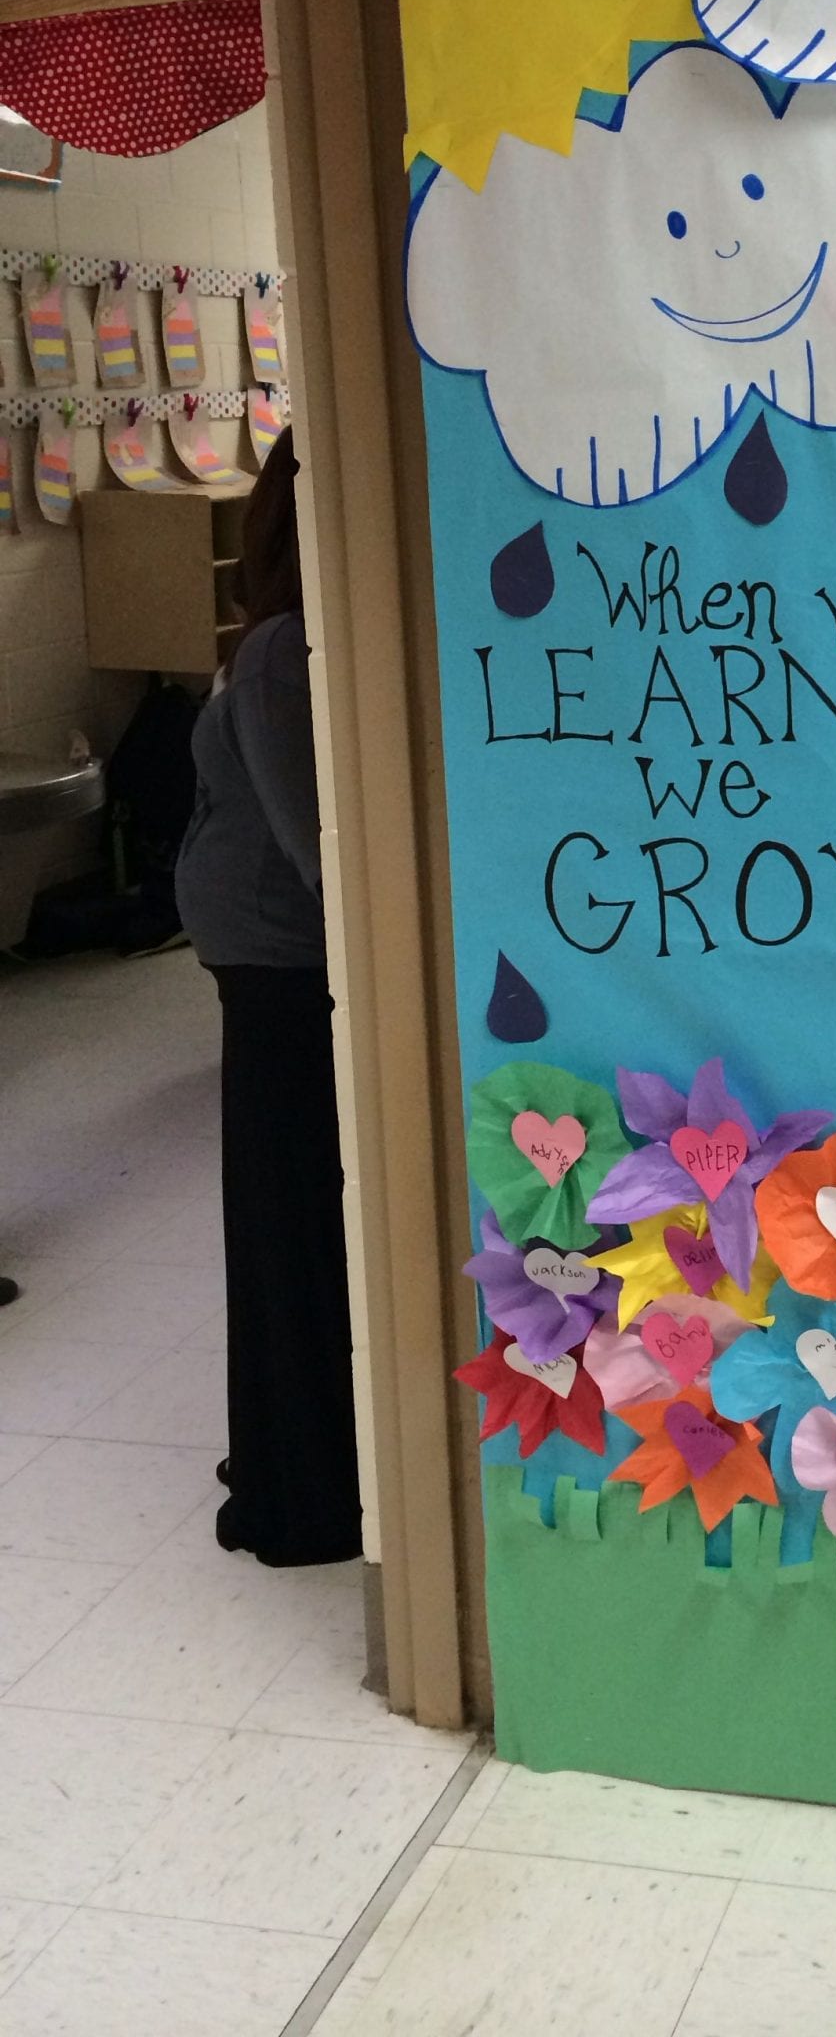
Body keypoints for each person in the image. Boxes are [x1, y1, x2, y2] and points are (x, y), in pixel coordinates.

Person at [175, 431, 360, 1565]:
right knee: (291, 1218)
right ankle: (306, 1483)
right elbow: (314, 846)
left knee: (281, 1213)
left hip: (267, 951)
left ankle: (296, 1455)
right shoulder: (289, 647)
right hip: (280, 959)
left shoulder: (278, 639)